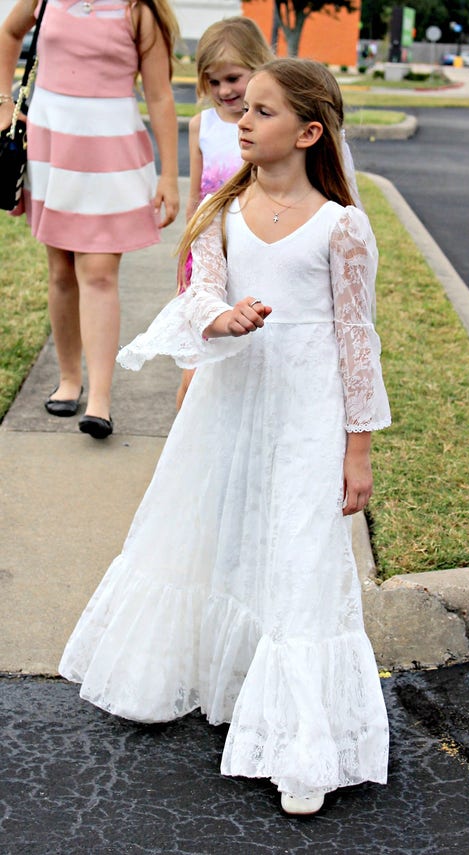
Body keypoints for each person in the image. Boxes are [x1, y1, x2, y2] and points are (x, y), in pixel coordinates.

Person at [59, 58, 391, 816]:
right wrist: (220, 317)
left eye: (263, 111)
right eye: (243, 107)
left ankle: (302, 747)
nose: (241, 117)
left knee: (300, 554)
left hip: (308, 410)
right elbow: (200, 290)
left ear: (308, 132)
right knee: (223, 535)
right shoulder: (226, 213)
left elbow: (357, 339)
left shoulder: (342, 228)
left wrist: (358, 448)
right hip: (233, 400)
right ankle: (223, 677)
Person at [0, 0, 180, 439]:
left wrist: (170, 176)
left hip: (110, 153)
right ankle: (69, 379)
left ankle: (99, 399)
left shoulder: (140, 10)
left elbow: (159, 94)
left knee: (98, 272)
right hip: (52, 146)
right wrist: (3, 103)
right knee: (61, 269)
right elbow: (8, 34)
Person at [175, 15, 273, 410]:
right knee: (195, 366)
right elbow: (196, 199)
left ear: (259, 67)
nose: (223, 90)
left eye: (233, 78)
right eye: (212, 82)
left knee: (241, 364)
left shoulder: (270, 128)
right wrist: (186, 267)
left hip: (254, 254)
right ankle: (182, 452)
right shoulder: (202, 125)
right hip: (208, 260)